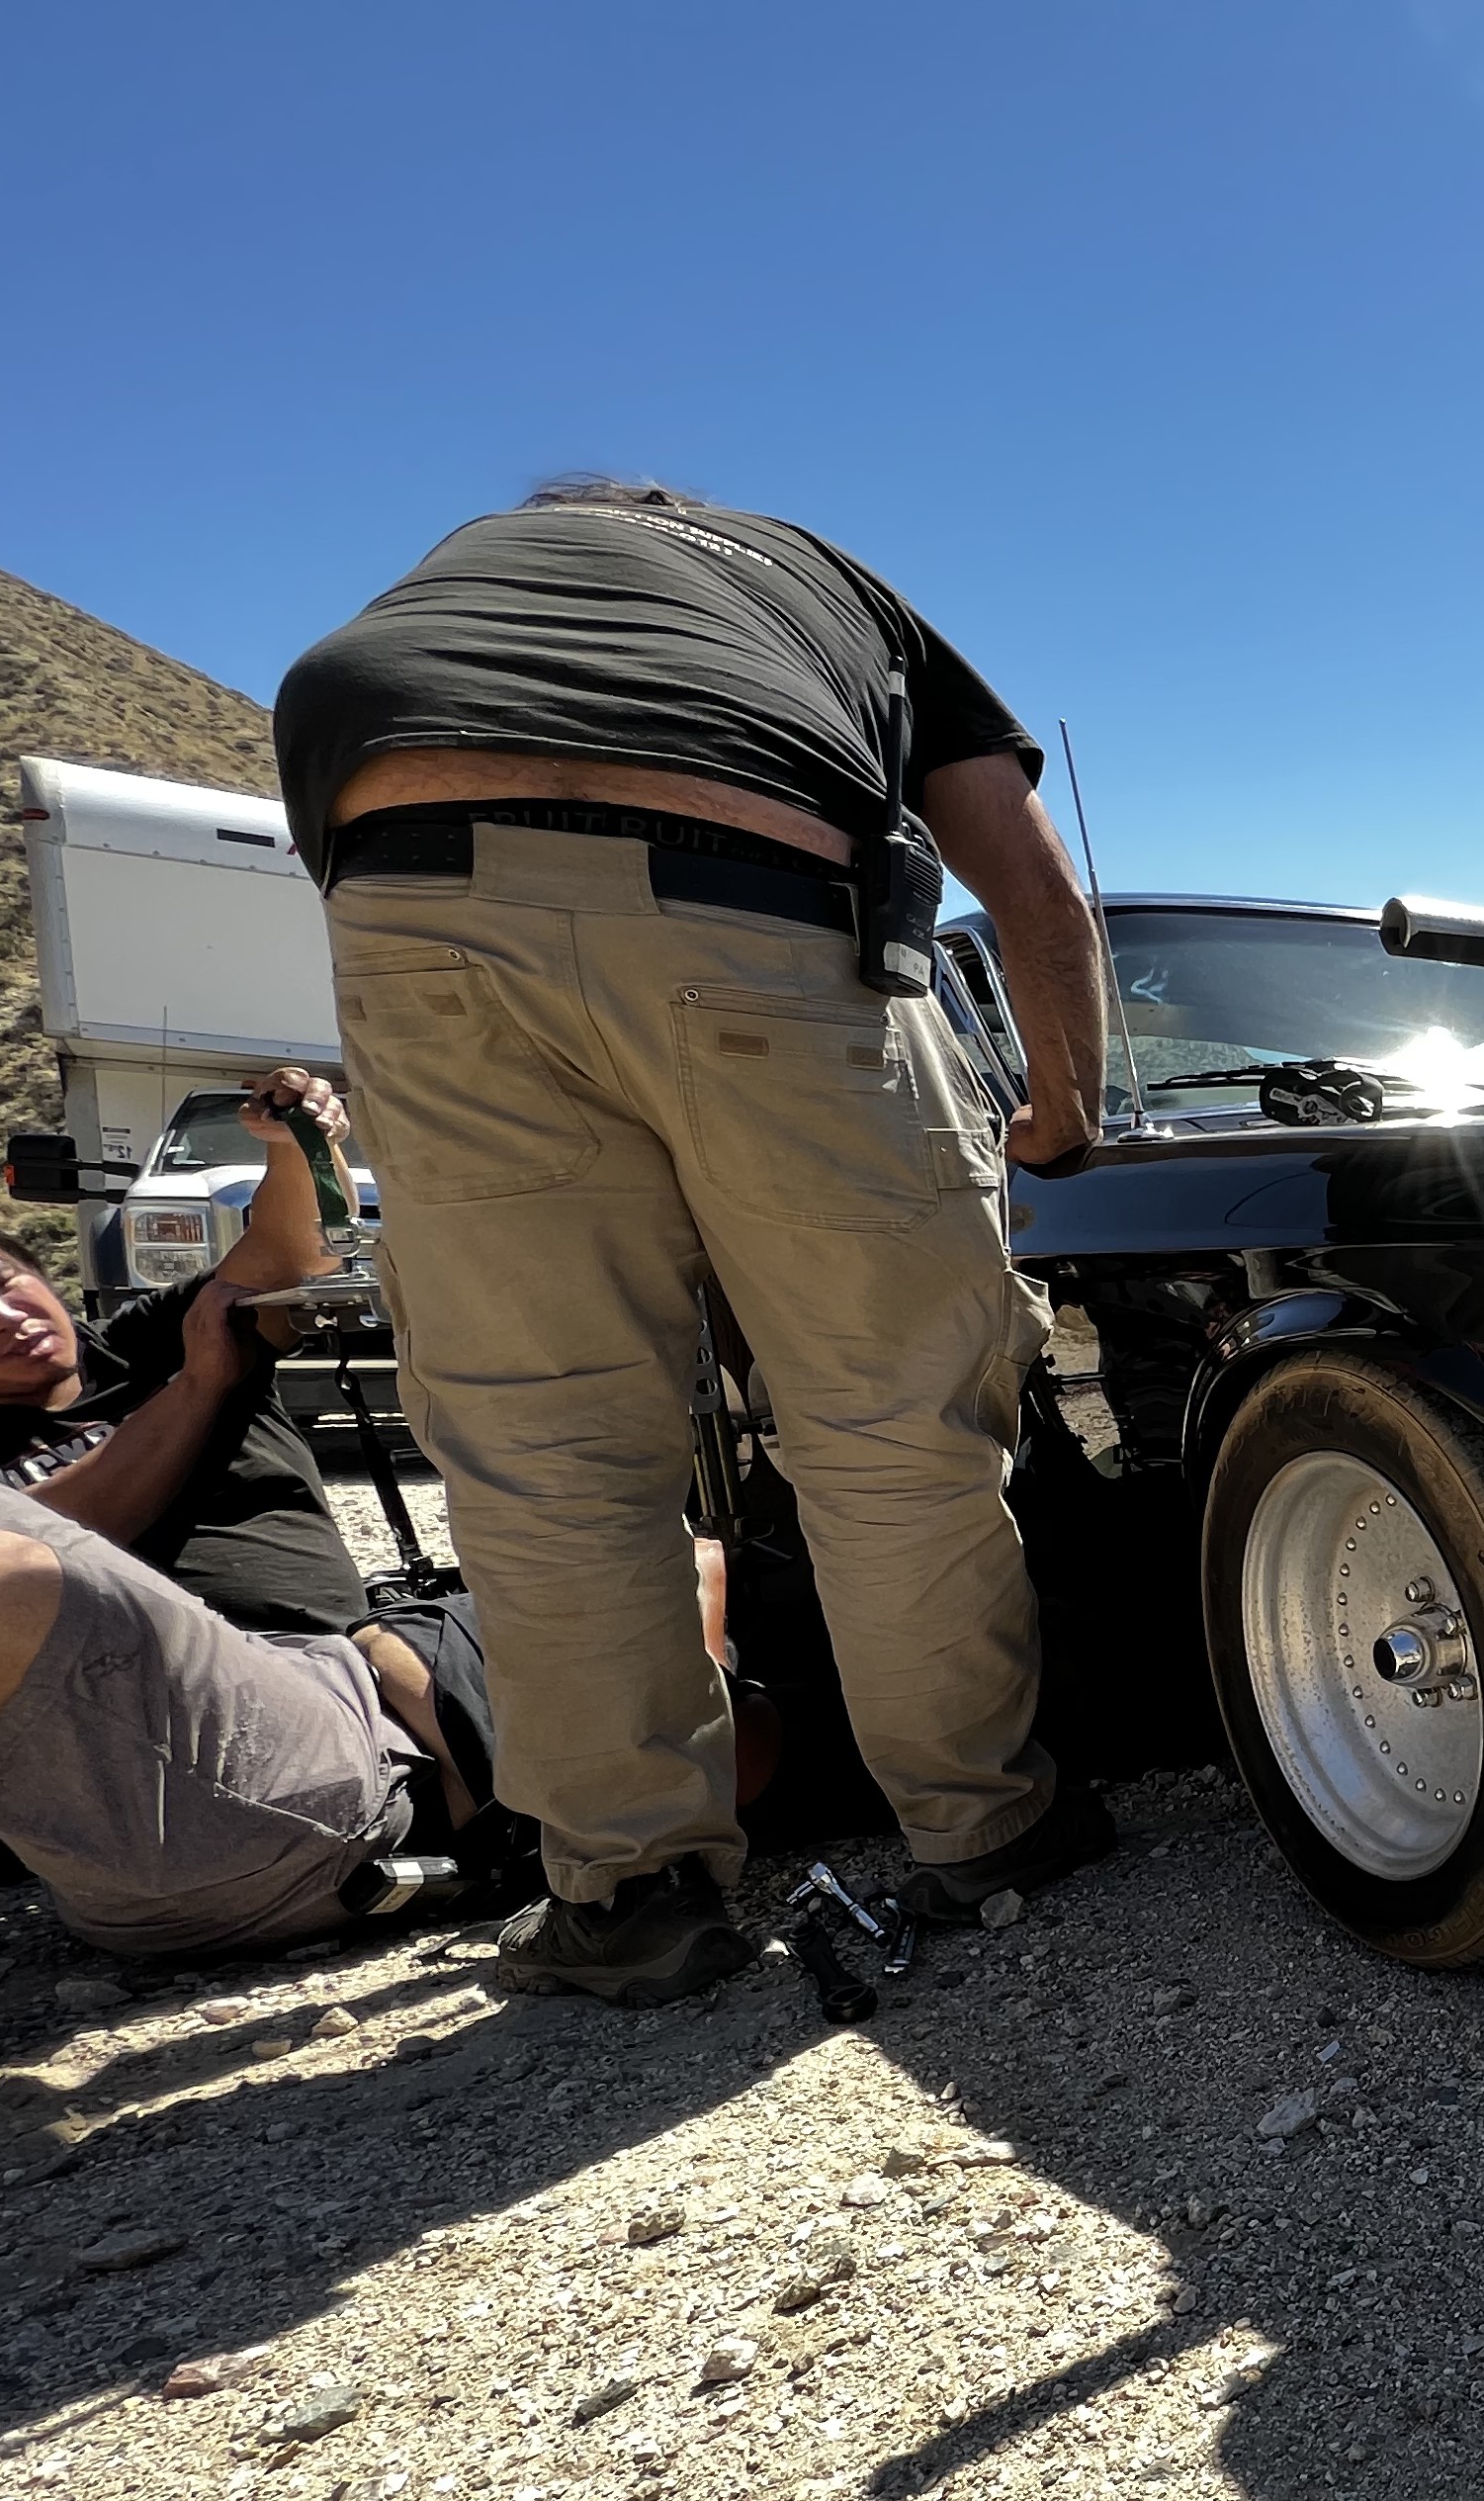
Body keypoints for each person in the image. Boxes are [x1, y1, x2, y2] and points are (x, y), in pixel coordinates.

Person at [273, 484, 1117, 2004]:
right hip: (752, 891)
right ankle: (985, 1825)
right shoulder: (830, 586)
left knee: (547, 1454)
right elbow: (1033, 883)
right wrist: (1062, 1111)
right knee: (893, 1423)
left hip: (411, 890)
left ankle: (628, 1891)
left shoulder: (465, 575)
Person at [0, 1074, 500, 1952]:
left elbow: (285, 1256)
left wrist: (292, 1145)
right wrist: (201, 1388)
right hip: (117, 1725)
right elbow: (41, 1556)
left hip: (309, 1695)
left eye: (3, 1282)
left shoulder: (149, 1344)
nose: (1, 1316)